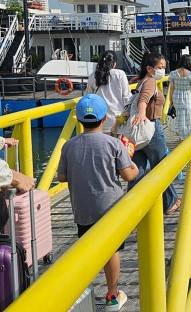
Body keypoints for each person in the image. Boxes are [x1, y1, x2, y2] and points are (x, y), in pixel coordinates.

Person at [57, 94, 138, 312]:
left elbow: (61, 178)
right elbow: (128, 175)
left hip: (82, 209)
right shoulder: (114, 144)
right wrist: (135, 167)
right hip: (110, 208)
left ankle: (80, 294)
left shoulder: (69, 146)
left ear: (79, 120)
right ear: (104, 119)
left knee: (86, 250)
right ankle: (112, 295)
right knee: (111, 251)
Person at [127, 52, 181, 215]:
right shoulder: (150, 81)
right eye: (160, 68)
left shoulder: (141, 81)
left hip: (137, 132)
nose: (163, 71)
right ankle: (169, 202)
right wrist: (142, 113)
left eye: (164, 67)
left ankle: (133, 210)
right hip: (150, 128)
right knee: (161, 166)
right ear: (150, 68)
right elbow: (143, 100)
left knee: (137, 170)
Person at [86, 51, 132, 134]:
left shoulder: (93, 76)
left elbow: (88, 96)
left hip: (101, 118)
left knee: (104, 144)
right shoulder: (120, 74)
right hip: (119, 117)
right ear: (114, 63)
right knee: (119, 144)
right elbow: (126, 96)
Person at [169, 54, 191, 141]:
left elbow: (171, 88)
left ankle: (181, 138)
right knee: (189, 117)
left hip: (176, 96)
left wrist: (170, 100)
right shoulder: (190, 74)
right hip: (187, 96)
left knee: (180, 117)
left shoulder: (173, 73)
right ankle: (188, 137)